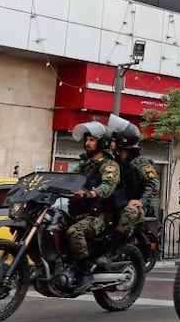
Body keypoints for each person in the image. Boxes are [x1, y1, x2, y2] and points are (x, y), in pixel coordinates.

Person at [67, 121, 120, 291]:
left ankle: (85, 272)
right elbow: (67, 179)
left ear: (102, 142)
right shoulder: (85, 165)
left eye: (92, 139)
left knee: (74, 232)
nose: (87, 143)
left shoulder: (109, 165)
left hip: (100, 215)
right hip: (80, 212)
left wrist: (89, 194)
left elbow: (107, 187)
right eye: (86, 140)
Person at [107, 118, 159, 244]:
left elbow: (154, 184)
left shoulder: (140, 162)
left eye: (114, 141)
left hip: (136, 206)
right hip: (118, 202)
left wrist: (142, 201)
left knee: (129, 212)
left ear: (122, 141)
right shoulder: (116, 162)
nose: (111, 144)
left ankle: (115, 246)